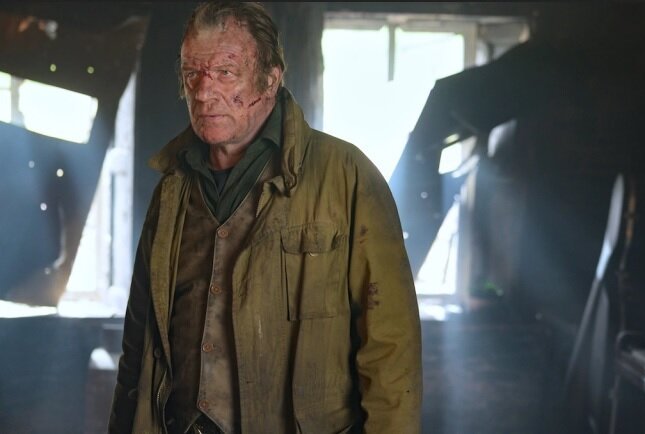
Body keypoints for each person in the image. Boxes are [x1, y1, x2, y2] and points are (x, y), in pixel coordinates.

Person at [108, 2, 422, 433]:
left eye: (225, 73)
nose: (203, 92)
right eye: (192, 73)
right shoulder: (172, 189)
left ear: (270, 80)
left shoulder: (346, 177)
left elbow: (391, 349)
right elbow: (137, 345)